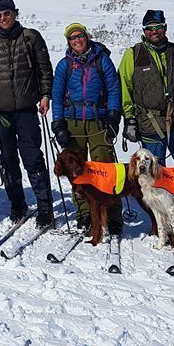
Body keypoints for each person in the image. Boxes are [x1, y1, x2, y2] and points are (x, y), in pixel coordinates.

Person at [118, 9, 174, 243]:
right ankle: (162, 224)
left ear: (165, 28)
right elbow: (124, 91)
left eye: (158, 28)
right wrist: (129, 120)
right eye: (149, 28)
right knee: (153, 176)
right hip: (149, 123)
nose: (154, 32)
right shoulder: (133, 55)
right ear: (144, 31)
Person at [0, 0, 55, 228]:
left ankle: (45, 209)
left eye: (7, 13)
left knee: (33, 159)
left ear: (15, 13)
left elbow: (44, 69)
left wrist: (45, 95)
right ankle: (18, 205)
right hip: (1, 114)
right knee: (8, 161)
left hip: (28, 110)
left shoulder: (30, 37)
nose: (3, 18)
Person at [51, 22, 122, 233]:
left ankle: (112, 214)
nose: (77, 41)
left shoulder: (103, 60)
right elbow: (56, 95)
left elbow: (113, 89)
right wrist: (58, 124)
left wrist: (113, 117)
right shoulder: (65, 65)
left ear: (86, 37)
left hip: (99, 120)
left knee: (105, 168)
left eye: (80, 36)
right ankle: (84, 213)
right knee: (76, 169)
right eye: (72, 38)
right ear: (69, 42)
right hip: (73, 121)